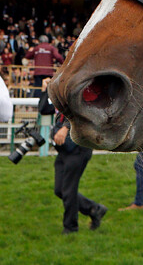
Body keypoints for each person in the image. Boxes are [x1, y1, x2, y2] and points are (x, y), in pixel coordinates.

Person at [39, 78, 108, 234]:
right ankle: (93, 208)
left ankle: (70, 228)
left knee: (69, 191)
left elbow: (84, 111)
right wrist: (45, 91)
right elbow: (44, 110)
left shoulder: (84, 87)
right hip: (64, 150)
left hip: (78, 148)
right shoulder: (61, 91)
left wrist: (65, 127)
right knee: (60, 190)